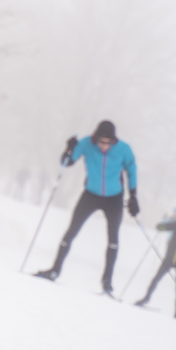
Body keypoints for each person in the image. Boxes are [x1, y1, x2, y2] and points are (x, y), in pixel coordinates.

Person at [34, 120, 139, 295]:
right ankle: (54, 270)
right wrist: (69, 148)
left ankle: (107, 282)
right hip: (91, 194)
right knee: (71, 231)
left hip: (114, 198)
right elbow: (67, 162)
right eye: (101, 142)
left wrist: (133, 196)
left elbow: (132, 171)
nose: (104, 146)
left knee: (113, 239)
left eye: (108, 143)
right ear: (95, 138)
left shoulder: (124, 149)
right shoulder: (86, 144)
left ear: (114, 140)